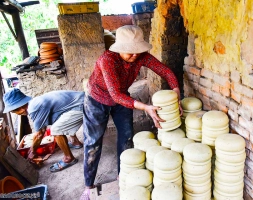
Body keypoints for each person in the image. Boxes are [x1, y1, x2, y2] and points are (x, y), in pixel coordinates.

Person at [80, 25, 181, 200]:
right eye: (129, 51)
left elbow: (165, 71)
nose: (134, 55)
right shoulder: (107, 60)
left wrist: (176, 92)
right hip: (97, 99)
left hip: (122, 98)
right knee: (93, 142)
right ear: (119, 48)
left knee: (127, 136)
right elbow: (115, 95)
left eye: (137, 51)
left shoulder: (141, 57)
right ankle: (88, 186)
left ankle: (123, 175)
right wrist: (146, 107)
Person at [2, 89, 84, 172]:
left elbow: (39, 134)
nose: (15, 113)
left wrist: (32, 152)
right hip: (83, 101)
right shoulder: (34, 103)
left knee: (56, 130)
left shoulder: (34, 108)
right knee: (58, 121)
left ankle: (68, 158)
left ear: (20, 107)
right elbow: (43, 128)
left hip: (84, 105)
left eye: (14, 111)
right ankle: (75, 142)